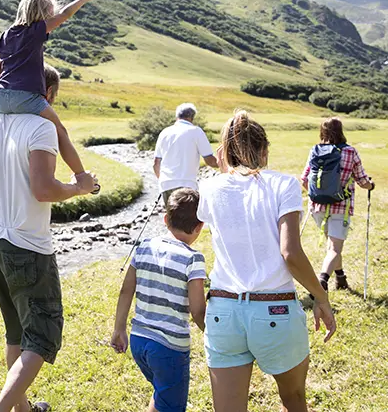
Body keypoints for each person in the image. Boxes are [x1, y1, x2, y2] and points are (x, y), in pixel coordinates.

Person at [0, 65, 98, 412]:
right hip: (28, 245)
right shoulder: (42, 126)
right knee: (42, 335)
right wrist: (79, 187)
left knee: (16, 332)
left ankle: (23, 410)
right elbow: (44, 189)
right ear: (46, 94)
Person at [198, 110, 336, 412]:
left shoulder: (208, 187)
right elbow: (291, 254)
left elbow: (227, 190)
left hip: (223, 311)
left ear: (225, 153)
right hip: (275, 309)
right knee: (293, 400)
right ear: (263, 150)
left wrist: (227, 165)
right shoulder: (283, 185)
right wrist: (321, 297)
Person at [111, 188, 207, 412]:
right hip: (169, 348)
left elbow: (126, 291)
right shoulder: (193, 259)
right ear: (200, 226)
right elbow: (198, 311)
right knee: (170, 402)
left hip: (139, 341)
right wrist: (216, 335)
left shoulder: (143, 247)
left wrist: (119, 328)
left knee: (162, 393)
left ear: (165, 219)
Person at [0, 0, 94, 177]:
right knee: (60, 130)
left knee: (1, 134)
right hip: (27, 96)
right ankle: (81, 176)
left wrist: (10, 85)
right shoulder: (35, 30)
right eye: (50, 12)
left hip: (1, 95)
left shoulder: (5, 35)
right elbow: (65, 14)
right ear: (43, 12)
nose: (53, 15)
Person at [301, 117, 375, 292]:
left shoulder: (315, 150)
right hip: (341, 208)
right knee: (334, 248)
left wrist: (318, 195)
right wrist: (371, 185)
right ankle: (322, 280)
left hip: (318, 207)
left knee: (332, 246)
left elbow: (304, 180)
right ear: (340, 130)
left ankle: (340, 279)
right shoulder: (350, 152)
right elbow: (363, 181)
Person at [153, 103, 218, 205]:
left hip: (166, 184)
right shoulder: (196, 131)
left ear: (177, 116)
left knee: (171, 219)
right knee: (188, 219)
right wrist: (227, 163)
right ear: (192, 117)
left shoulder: (164, 132)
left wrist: (163, 180)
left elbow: (156, 163)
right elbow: (209, 160)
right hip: (187, 185)